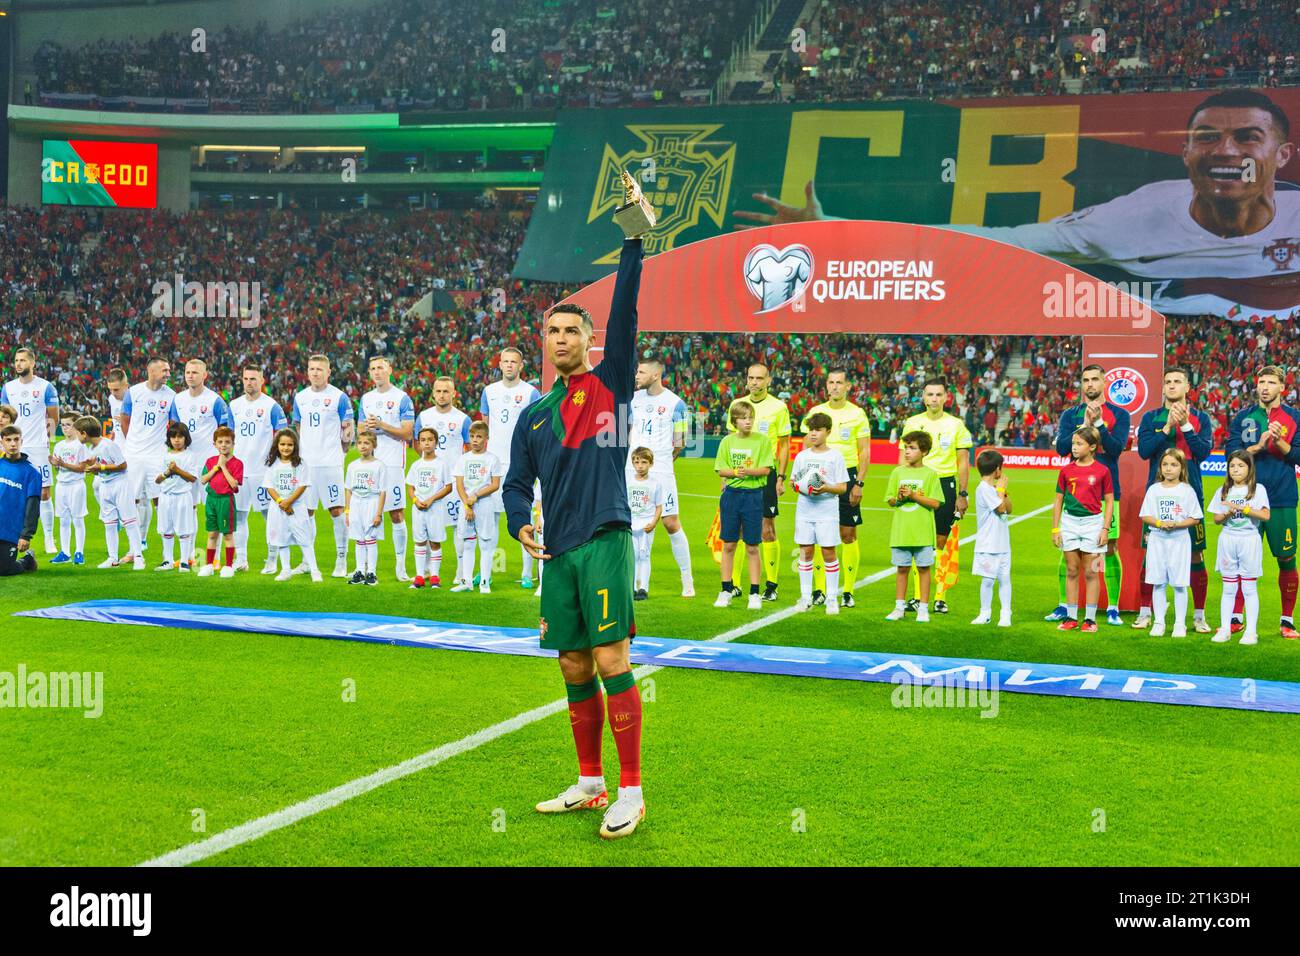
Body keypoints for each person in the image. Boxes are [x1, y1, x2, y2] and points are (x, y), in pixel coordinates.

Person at [735, 90, 1300, 321]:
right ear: (1184, 153)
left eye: (1248, 138)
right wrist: (834, 227)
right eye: (1206, 138)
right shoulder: (1129, 220)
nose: (1225, 151)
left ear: (1281, 154)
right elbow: (995, 240)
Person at [502, 226, 647, 840]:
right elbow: (514, 484)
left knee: (612, 658)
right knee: (572, 663)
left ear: (590, 340)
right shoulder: (532, 414)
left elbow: (627, 311)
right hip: (558, 553)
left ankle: (632, 793)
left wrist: (634, 243)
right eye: (553, 332)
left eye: (572, 331)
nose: (562, 339)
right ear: (544, 342)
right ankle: (591, 782)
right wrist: (520, 523)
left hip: (606, 539)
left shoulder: (611, 384)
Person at [1047, 365, 1130, 626]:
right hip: (1075, 494)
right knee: (1068, 551)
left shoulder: (1119, 414)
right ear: (1081, 385)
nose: (1090, 384)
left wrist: (1100, 425)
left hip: (1106, 492)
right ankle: (1065, 606)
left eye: (1095, 379)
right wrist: (1083, 426)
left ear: (1105, 383)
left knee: (1110, 548)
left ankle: (1113, 607)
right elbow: (1062, 448)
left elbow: (1116, 450)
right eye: (1085, 380)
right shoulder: (1071, 415)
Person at [1134, 367, 1214, 631]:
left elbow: (1202, 452)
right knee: (1151, 556)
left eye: (1177, 381)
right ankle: (1146, 612)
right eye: (1167, 381)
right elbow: (1145, 452)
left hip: (1192, 497)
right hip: (1157, 497)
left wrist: (1186, 425)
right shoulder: (1151, 418)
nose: (1171, 385)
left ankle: (1199, 615)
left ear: (1187, 387)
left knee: (1195, 556)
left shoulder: (1201, 418)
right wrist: (1168, 426)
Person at [1225, 365, 1300, 639]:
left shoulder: (1295, 418)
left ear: (1283, 387)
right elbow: (1230, 456)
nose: (1265, 387)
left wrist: (1279, 443)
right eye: (1261, 382)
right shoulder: (1243, 416)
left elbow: (1299, 456)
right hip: (1245, 497)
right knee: (1242, 560)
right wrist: (1259, 445)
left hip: (1282, 499)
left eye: (1271, 382)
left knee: (1287, 557)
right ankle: (1235, 616)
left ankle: (1287, 619)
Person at [899, 379, 971, 614]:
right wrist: (902, 483)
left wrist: (962, 493)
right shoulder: (913, 422)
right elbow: (903, 457)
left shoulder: (956, 425)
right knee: (918, 541)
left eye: (938, 395)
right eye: (930, 394)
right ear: (923, 397)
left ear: (946, 397)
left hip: (944, 484)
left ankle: (940, 597)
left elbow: (962, 462)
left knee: (941, 541)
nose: (934, 399)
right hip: (918, 482)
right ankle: (919, 597)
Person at [801, 368, 871, 608]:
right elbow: (804, 445)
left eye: (839, 382)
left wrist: (859, 483)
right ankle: (820, 590)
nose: (834, 387)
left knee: (848, 534)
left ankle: (848, 590)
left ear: (847, 386)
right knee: (819, 535)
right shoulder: (816, 412)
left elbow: (864, 451)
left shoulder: (857, 413)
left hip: (847, 476)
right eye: (831, 382)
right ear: (826, 385)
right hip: (818, 473)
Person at [626, 356, 695, 597]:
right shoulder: (632, 399)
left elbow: (680, 442)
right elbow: (626, 433)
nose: (637, 376)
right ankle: (638, 584)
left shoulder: (676, 404)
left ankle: (687, 578)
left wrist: (662, 459)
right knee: (632, 523)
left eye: (642, 372)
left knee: (670, 522)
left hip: (661, 469)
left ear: (656, 375)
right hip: (632, 470)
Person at [726, 363, 791, 601]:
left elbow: (784, 445)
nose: (754, 382)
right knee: (739, 528)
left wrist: (780, 477)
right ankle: (733, 584)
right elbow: (730, 440)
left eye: (759, 378)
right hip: (739, 473)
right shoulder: (737, 405)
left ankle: (771, 585)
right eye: (751, 378)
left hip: (766, 473)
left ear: (768, 380)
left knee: (767, 529)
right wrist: (726, 479)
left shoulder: (778, 407)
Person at [480, 347, 541, 587]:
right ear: (500, 364)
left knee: (523, 517)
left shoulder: (531, 393)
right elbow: (485, 426)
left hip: (521, 462)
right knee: (490, 517)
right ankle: (487, 570)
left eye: (513, 362)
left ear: (521, 365)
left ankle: (527, 573)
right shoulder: (489, 391)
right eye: (505, 361)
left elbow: (537, 427)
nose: (508, 366)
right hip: (494, 462)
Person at [292, 354, 355, 579]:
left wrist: (343, 449)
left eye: (320, 369)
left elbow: (348, 427)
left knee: (336, 511)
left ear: (328, 372)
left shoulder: (339, 397)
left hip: (330, 464)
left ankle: (341, 559)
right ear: (307, 372)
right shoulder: (300, 398)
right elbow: (298, 428)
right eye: (311, 369)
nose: (315, 373)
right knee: (306, 512)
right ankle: (307, 560)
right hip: (307, 464)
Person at [1052, 426, 1114, 633]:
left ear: (1093, 446)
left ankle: (1090, 619)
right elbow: (1058, 500)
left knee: (1091, 571)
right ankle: (1071, 617)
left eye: (1079, 444)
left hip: (1093, 524)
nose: (1074, 447)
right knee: (1071, 570)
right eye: (1073, 443)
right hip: (1069, 523)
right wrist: (1055, 528)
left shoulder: (1103, 471)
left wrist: (1105, 528)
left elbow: (1109, 501)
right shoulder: (1066, 470)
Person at [171, 359, 233, 564]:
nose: (190, 376)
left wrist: (223, 458)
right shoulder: (178, 399)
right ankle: (188, 556)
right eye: (188, 372)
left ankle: (213, 558)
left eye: (195, 372)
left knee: (212, 510)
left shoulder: (215, 401)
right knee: (189, 510)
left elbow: (225, 432)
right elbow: (173, 430)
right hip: (186, 462)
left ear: (205, 375)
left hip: (209, 463)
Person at [712, 400, 772, 610]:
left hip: (754, 496)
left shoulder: (762, 441)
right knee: (729, 544)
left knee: (752, 546)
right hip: (731, 495)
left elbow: (766, 469)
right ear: (734, 421)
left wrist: (746, 472)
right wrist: (737, 473)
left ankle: (755, 593)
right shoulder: (727, 442)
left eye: (750, 417)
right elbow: (721, 470)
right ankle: (726, 589)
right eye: (743, 418)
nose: (748, 422)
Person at [1138, 448, 1204, 638]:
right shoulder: (1154, 489)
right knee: (1158, 583)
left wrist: (1176, 524)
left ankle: (1179, 624)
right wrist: (1160, 523)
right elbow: (1145, 515)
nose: (1168, 469)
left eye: (1173, 465)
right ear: (1160, 467)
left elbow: (1195, 517)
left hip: (1179, 540)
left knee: (1179, 584)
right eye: (1165, 464)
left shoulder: (1187, 490)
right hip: (1158, 540)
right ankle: (1159, 622)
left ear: (1182, 468)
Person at [360, 356, 416, 581]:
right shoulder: (366, 398)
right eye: (372, 369)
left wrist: (381, 425)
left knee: (395, 513)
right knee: (366, 514)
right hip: (370, 464)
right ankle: (365, 566)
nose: (376, 372)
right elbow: (361, 431)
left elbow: (407, 433)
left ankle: (400, 567)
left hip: (392, 464)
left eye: (380, 368)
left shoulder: (402, 398)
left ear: (390, 370)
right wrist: (368, 429)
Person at [230, 365, 289, 573]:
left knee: (269, 516)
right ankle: (242, 559)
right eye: (246, 378)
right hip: (239, 472)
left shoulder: (271, 406)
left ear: (262, 380)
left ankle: (272, 560)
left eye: (253, 379)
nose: (249, 382)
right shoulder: (234, 405)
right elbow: (228, 437)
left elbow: (283, 437)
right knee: (239, 516)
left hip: (263, 472)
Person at [2, 347, 60, 555]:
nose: (18, 364)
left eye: (23, 360)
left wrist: (49, 441)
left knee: (44, 493)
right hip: (12, 444)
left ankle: (49, 539)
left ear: (33, 363)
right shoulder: (8, 388)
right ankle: (11, 536)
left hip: (37, 447)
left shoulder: (45, 387)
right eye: (16, 360)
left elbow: (53, 417)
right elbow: (4, 418)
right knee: (11, 491)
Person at [1209, 450, 1271, 645]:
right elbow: (1216, 519)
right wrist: (1228, 512)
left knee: (1249, 587)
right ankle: (1225, 628)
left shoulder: (1258, 489)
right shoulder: (1223, 490)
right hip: (1228, 540)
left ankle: (1251, 632)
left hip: (1249, 540)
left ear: (1249, 468)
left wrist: (1244, 509)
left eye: (1241, 466)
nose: (1236, 469)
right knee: (1228, 587)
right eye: (1232, 466)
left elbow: (1265, 516)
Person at [790, 412, 849, 615]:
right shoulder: (802, 456)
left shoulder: (835, 456)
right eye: (811, 430)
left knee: (828, 552)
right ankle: (805, 597)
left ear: (828, 432)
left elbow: (842, 487)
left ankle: (831, 598)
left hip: (827, 512)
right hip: (805, 511)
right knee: (805, 552)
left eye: (818, 430)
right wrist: (800, 486)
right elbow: (793, 482)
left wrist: (825, 488)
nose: (813, 434)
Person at [118, 357, 176, 560]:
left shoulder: (171, 396)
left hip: (157, 456)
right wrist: (133, 442)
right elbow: (125, 420)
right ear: (151, 371)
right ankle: (134, 548)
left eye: (169, 370)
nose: (168, 374)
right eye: (165, 370)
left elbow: (174, 425)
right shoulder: (133, 392)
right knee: (130, 500)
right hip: (133, 455)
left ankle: (166, 551)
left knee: (161, 500)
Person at [416, 376, 472, 587]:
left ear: (454, 393)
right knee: (428, 527)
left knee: (459, 528)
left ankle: (460, 570)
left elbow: (468, 449)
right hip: (428, 483)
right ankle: (429, 570)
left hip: (454, 484)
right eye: (438, 391)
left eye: (446, 391)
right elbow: (417, 445)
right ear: (433, 393)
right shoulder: (424, 417)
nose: (442, 395)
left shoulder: (463, 419)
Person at [884, 431, 941, 623]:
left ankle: (923, 608)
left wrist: (913, 496)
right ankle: (899, 607)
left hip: (923, 532)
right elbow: (890, 500)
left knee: (924, 569)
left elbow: (935, 503)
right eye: (906, 447)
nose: (907, 452)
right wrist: (899, 499)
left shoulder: (931, 474)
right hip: (901, 531)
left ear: (924, 451)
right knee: (902, 569)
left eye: (912, 448)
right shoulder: (897, 472)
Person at [79, 416, 144, 570]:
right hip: (105, 485)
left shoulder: (108, 445)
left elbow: (123, 465)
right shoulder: (91, 449)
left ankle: (139, 557)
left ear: (84, 433)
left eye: (77, 433)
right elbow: (100, 471)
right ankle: (113, 558)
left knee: (129, 521)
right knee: (109, 523)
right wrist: (93, 468)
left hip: (120, 484)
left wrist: (99, 468)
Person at [451, 421, 504, 594]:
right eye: (472, 436)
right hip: (466, 506)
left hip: (485, 505)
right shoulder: (463, 459)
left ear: (486, 438)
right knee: (467, 543)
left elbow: (495, 484)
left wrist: (477, 496)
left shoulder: (492, 459)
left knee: (486, 543)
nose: (475, 440)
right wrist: (467, 504)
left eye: (479, 437)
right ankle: (466, 581)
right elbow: (459, 485)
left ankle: (484, 583)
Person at [263, 427, 320, 583]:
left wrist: (289, 502)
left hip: (297, 508)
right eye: (282, 444)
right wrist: (281, 502)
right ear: (277, 445)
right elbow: (269, 486)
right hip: (278, 508)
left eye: (289, 445)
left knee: (305, 539)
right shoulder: (271, 464)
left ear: (295, 446)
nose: (286, 448)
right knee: (281, 539)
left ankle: (315, 570)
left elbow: (303, 485)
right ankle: (286, 569)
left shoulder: (300, 464)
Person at [406, 426, 454, 589]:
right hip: (418, 509)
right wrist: (415, 501)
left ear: (436, 442)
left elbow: (449, 487)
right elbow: (410, 489)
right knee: (419, 542)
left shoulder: (442, 464)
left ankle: (435, 577)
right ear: (419, 443)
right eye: (423, 440)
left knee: (434, 542)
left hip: (435, 508)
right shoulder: (416, 465)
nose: (426, 443)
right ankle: (419, 576)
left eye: (430, 440)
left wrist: (432, 499)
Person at [971, 449, 1013, 627]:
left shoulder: (995, 489)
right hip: (988, 545)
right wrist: (1001, 491)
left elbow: (1009, 508)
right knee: (988, 580)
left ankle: (1005, 614)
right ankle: (985, 613)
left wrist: (1002, 491)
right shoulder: (983, 489)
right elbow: (1001, 509)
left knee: (1005, 579)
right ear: (997, 469)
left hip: (1003, 543)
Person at [154, 421, 201, 572]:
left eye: (180, 437)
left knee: (184, 529)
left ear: (186, 438)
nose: (176, 440)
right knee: (166, 528)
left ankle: (184, 561)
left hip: (182, 496)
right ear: (169, 438)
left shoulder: (190, 456)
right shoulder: (164, 455)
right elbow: (158, 479)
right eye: (173, 437)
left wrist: (177, 470)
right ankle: (167, 560)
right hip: (166, 496)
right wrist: (168, 472)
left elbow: (192, 478)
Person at [197, 426, 243, 578]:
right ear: (215, 444)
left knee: (228, 535)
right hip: (211, 500)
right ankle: (209, 565)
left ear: (233, 444)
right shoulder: (210, 461)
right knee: (212, 534)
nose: (223, 445)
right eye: (220, 442)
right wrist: (216, 466)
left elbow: (234, 484)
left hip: (225, 501)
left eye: (227, 442)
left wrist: (223, 467)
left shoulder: (237, 463)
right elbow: (203, 480)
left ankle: (228, 566)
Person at [345, 430, 386, 586]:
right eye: (360, 443)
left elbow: (383, 491)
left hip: (372, 503)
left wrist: (379, 514)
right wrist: (348, 511)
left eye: (367, 443)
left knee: (370, 538)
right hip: (356, 504)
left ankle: (372, 572)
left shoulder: (379, 466)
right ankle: (360, 571)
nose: (363, 446)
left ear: (373, 445)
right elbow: (348, 489)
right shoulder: (352, 465)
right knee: (359, 539)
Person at [0, 425, 42, 576]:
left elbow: (33, 507)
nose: (12, 444)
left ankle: (27, 560)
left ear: (21, 441)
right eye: (8, 440)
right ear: (2, 442)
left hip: (10, 532)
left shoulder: (32, 473)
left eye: (16, 439)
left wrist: (26, 535)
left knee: (4, 569)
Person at [48, 412, 88, 564]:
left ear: (77, 426)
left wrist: (63, 464)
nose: (65, 428)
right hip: (61, 485)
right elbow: (59, 468)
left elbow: (82, 468)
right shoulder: (59, 445)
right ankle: (65, 552)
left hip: (76, 485)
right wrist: (54, 463)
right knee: (63, 520)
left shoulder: (81, 445)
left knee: (77, 519)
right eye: (63, 424)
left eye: (68, 425)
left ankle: (79, 552)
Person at [626, 447, 664, 601]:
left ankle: (644, 588)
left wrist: (654, 522)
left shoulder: (655, 483)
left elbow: (659, 506)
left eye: (644, 462)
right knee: (633, 555)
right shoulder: (628, 481)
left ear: (650, 463)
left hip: (647, 524)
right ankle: (634, 587)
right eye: (637, 462)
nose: (640, 465)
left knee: (645, 555)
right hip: (631, 524)